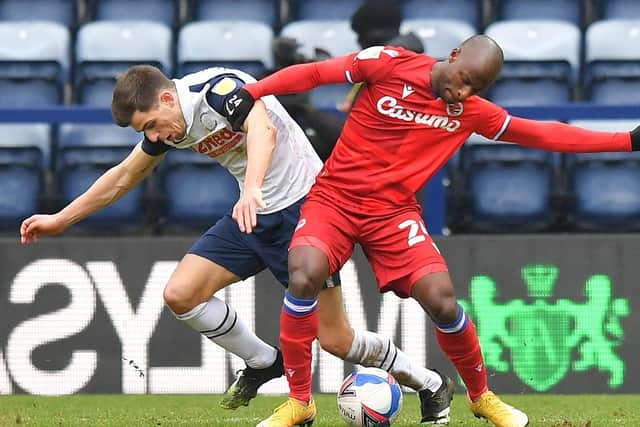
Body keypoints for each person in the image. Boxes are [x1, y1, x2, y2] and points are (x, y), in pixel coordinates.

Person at [238, 34, 640, 427]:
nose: (463, 92)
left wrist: (625, 140)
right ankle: (299, 402)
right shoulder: (388, 63)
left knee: (443, 301)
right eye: (464, 78)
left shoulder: (472, 112)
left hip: (392, 214)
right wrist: (254, 90)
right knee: (304, 274)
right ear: (452, 55)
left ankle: (483, 398)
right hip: (334, 199)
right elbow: (315, 73)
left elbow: (542, 133)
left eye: (476, 87)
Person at [19, 65, 455, 423]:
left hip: (308, 211)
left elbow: (261, 129)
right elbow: (124, 176)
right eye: (145, 131)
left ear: (167, 99)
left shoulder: (217, 91)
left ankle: (431, 383)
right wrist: (61, 219)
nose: (154, 136)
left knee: (337, 341)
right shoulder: (164, 128)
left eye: (152, 124)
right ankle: (265, 361)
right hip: (255, 214)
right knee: (181, 294)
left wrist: (250, 187)